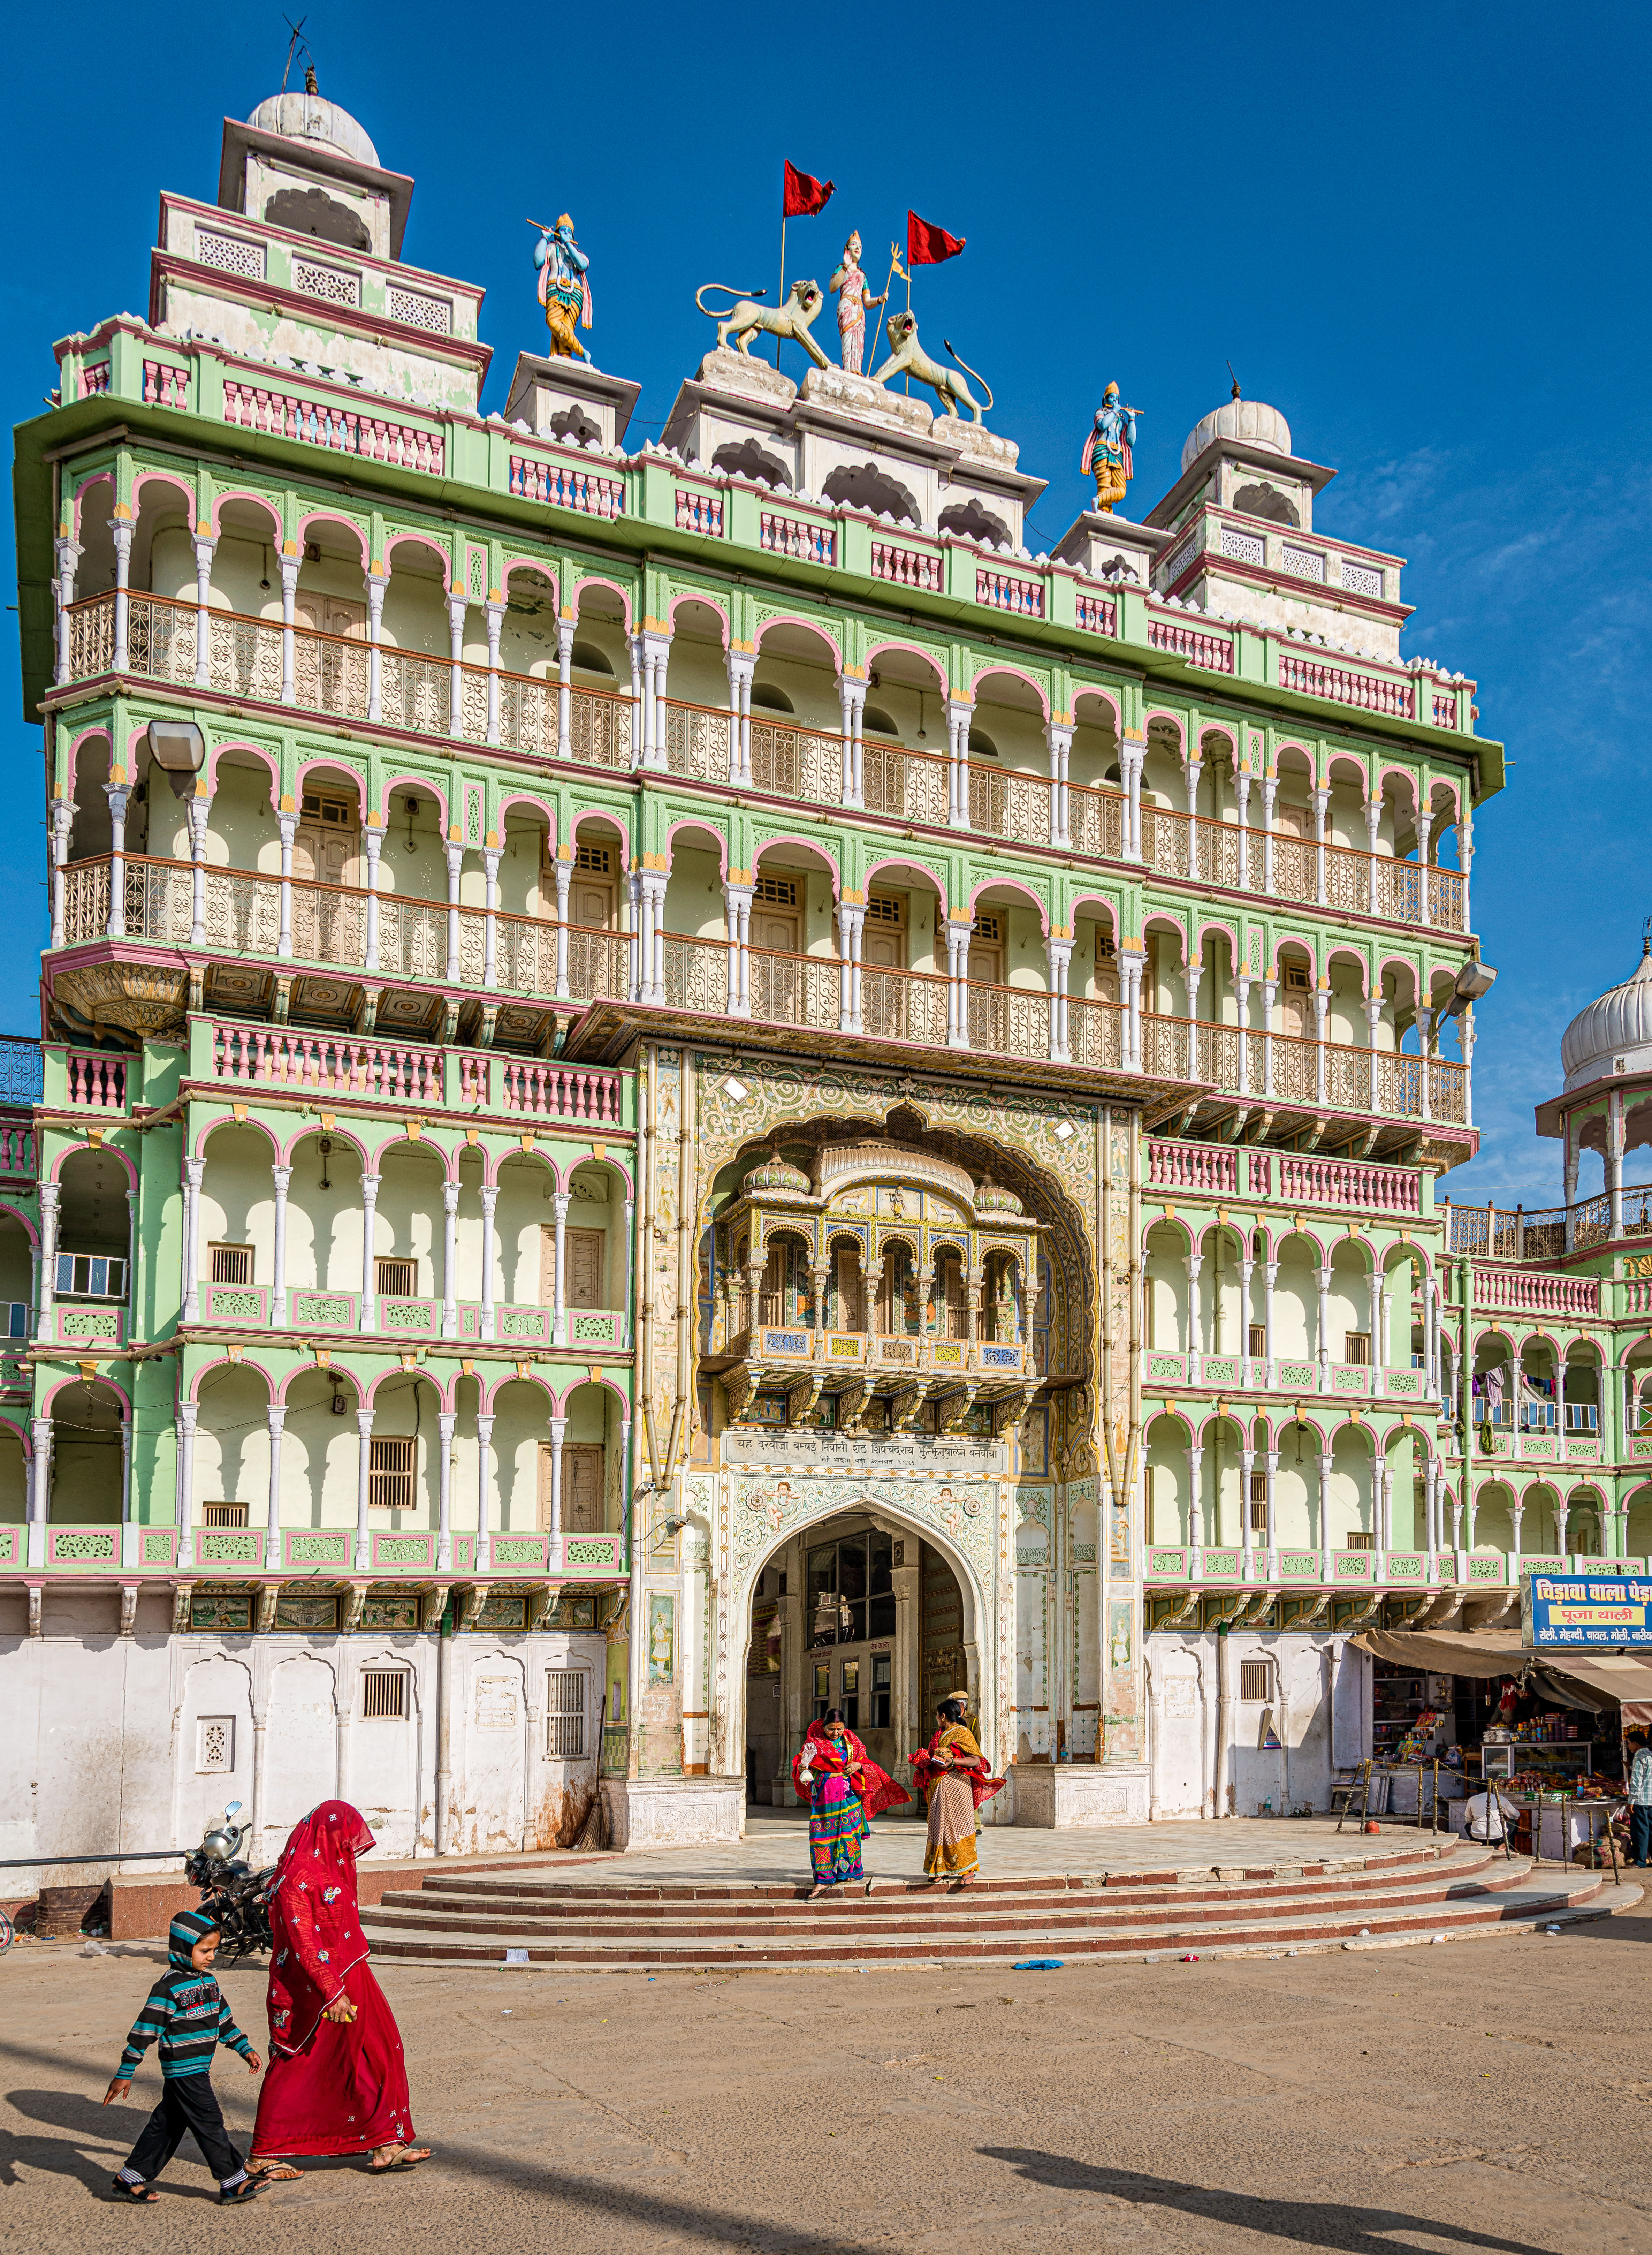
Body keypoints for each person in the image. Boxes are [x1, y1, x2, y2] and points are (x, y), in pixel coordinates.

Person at [250, 1800, 430, 2176]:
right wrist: (332, 1991)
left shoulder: (329, 1869)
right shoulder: (296, 1877)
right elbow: (303, 1941)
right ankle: (263, 2152)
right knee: (302, 2062)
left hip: (354, 1973)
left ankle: (386, 2142)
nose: (350, 1849)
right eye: (346, 1839)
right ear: (327, 1833)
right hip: (313, 1988)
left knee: (378, 2051)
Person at [102, 1908, 266, 2205]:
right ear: (182, 1948)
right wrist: (126, 2071)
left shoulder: (210, 1982)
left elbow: (223, 2021)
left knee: (168, 2124)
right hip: (182, 2069)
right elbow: (144, 2031)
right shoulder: (167, 1989)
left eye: (214, 1950)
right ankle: (232, 2181)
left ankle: (129, 2178)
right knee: (210, 2121)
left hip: (199, 2067)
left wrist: (245, 2048)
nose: (211, 1956)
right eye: (204, 1950)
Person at [792, 1709, 908, 1897]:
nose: (836, 1733)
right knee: (824, 1837)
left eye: (840, 1729)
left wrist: (858, 1766)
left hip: (849, 1796)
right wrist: (804, 1768)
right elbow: (803, 1766)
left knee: (849, 1835)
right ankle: (823, 1878)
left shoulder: (852, 1741)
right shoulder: (813, 1743)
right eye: (831, 1729)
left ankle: (848, 1872)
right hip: (826, 1797)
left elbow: (864, 1760)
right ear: (824, 1727)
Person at [911, 1695, 1005, 1888]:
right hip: (938, 1785)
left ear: (943, 1716)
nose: (937, 1718)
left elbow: (976, 1760)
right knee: (938, 1827)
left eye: (937, 1715)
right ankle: (939, 1869)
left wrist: (953, 1762)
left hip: (957, 1787)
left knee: (960, 1827)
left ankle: (968, 1869)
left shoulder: (962, 1732)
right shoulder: (939, 1734)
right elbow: (933, 1756)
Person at [828, 232, 886, 376]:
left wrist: (879, 300)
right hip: (847, 305)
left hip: (859, 309)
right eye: (854, 245)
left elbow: (867, 301)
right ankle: (848, 367)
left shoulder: (862, 275)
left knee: (859, 341)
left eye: (860, 246)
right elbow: (832, 287)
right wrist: (845, 268)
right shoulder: (841, 268)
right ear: (847, 250)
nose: (858, 248)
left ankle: (857, 369)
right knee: (848, 338)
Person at [1627, 1728, 1652, 1866]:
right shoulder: (1650, 1755)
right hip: (1651, 1800)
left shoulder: (1639, 1757)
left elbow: (1636, 1782)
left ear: (1636, 1744)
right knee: (1651, 1831)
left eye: (1629, 1744)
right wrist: (1630, 1767)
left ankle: (1640, 1861)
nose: (1629, 1747)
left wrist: (1631, 1802)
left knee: (1640, 1832)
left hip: (1641, 1800)